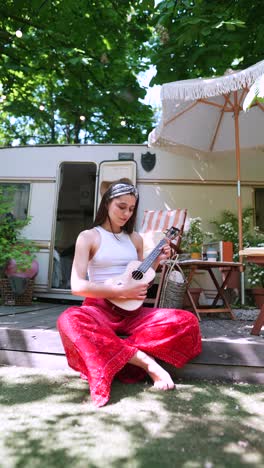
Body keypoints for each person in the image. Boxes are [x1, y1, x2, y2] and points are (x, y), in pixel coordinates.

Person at [57, 182, 202, 407]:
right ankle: (144, 361)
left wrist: (156, 261)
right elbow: (77, 285)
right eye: (121, 206)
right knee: (69, 319)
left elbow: (139, 274)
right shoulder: (89, 236)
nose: (126, 213)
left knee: (186, 321)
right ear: (107, 204)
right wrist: (119, 290)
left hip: (133, 314)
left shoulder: (135, 239)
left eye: (131, 209)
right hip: (98, 309)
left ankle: (111, 353)